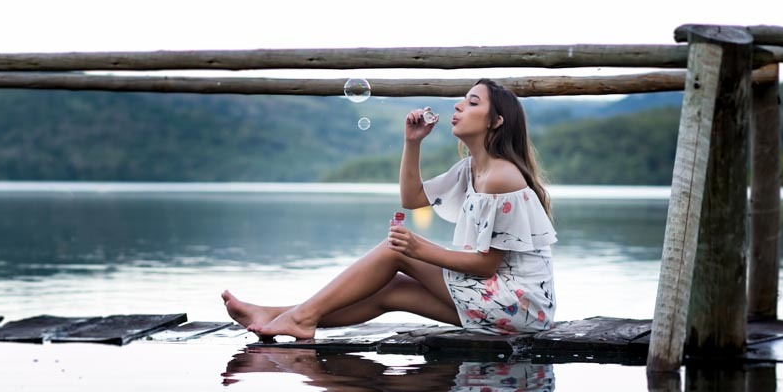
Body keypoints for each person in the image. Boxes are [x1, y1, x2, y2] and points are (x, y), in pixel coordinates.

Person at [222, 79, 557, 341]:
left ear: (496, 121)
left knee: (395, 251)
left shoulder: (502, 176)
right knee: (391, 291)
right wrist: (413, 143)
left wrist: (417, 248)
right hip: (501, 302)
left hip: (521, 306)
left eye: (472, 102)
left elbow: (487, 265)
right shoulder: (472, 169)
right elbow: (412, 198)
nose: (458, 105)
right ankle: (277, 315)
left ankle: (299, 318)